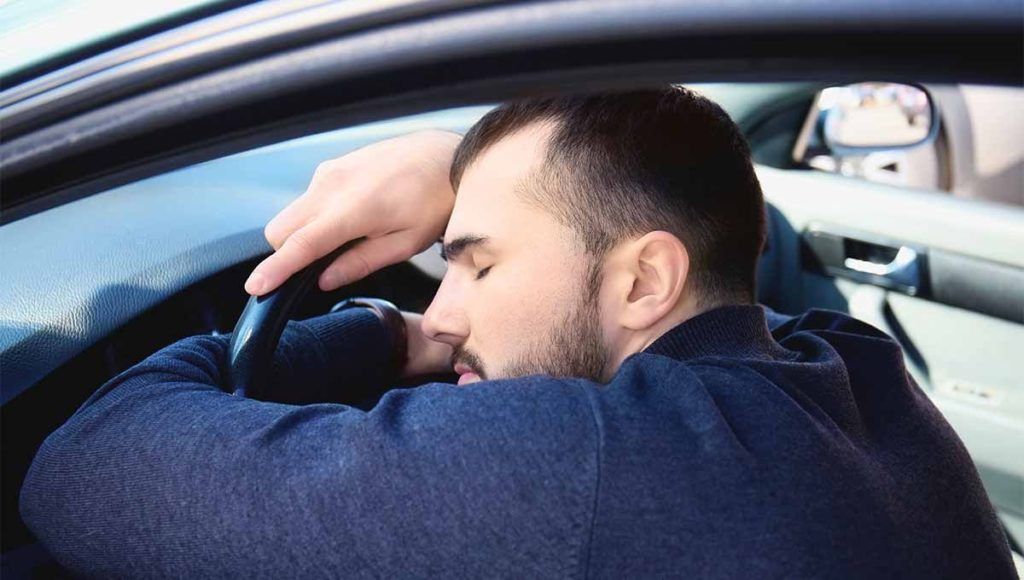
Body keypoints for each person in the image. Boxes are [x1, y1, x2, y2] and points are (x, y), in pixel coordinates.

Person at [20, 88, 1015, 578]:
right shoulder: (846, 362)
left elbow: (84, 465)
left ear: (645, 279)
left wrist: (375, 332)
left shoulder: (593, 461)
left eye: (477, 262)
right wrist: (463, 171)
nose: (444, 314)